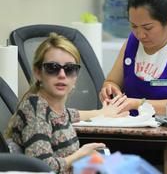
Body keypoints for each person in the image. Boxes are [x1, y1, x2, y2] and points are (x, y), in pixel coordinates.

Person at [5, 32, 129, 174]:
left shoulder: (55, 109)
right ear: (38, 73)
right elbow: (41, 167)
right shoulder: (36, 108)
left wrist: (102, 113)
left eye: (70, 69)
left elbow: (71, 114)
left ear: (76, 76)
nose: (62, 75)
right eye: (52, 68)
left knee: (125, 164)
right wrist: (81, 154)